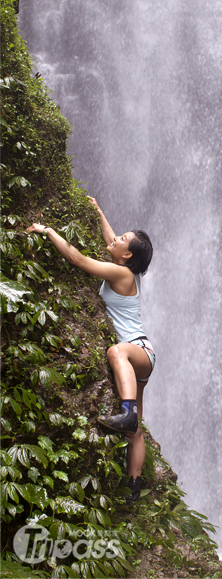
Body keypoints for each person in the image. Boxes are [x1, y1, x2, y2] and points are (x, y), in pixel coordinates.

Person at [26, 196, 155, 502]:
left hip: (137, 350)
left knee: (115, 352)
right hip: (143, 359)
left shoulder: (121, 273)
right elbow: (111, 239)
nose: (116, 238)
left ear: (127, 256)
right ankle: (134, 488)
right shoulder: (126, 266)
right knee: (135, 432)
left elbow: (79, 261)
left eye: (123, 239)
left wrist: (47, 231)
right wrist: (99, 212)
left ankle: (126, 412)